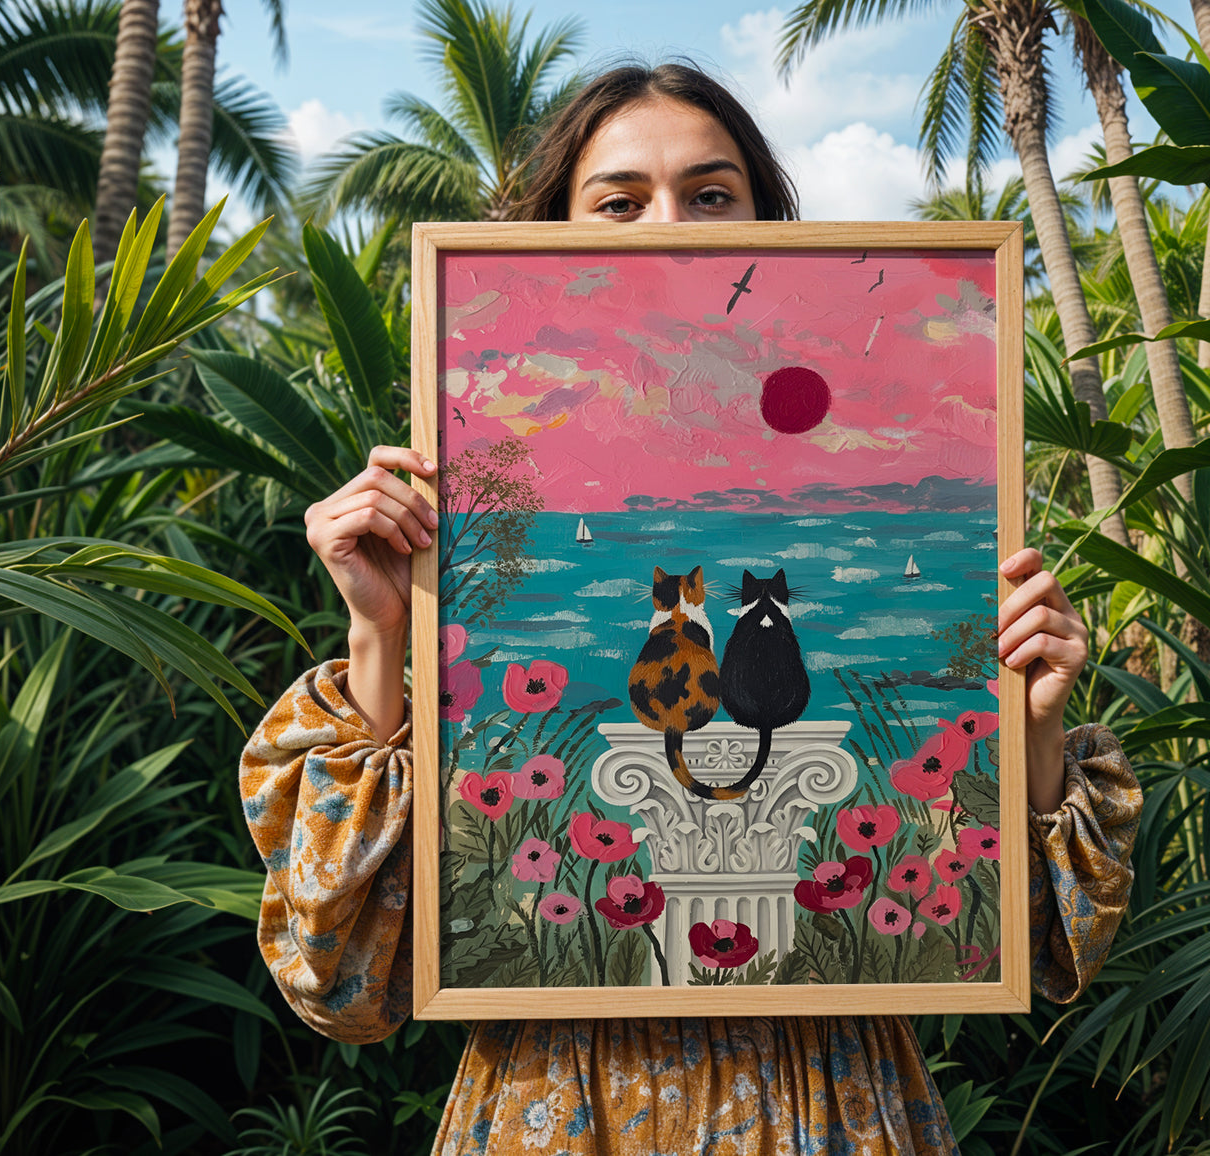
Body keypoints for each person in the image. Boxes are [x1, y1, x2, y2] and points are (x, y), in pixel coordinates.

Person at [240, 62, 1141, 1155]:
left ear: (767, 226)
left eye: (709, 194)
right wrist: (383, 628)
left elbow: (1050, 959)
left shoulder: (913, 461)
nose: (665, 227)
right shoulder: (471, 548)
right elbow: (340, 988)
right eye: (618, 201)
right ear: (550, 233)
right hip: (560, 1109)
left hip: (829, 1106)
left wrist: (1027, 720)